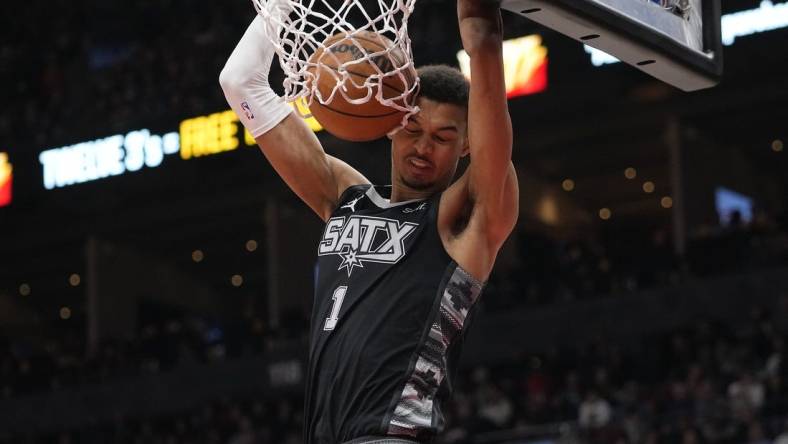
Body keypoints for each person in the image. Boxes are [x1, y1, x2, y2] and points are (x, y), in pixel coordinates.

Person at [219, 0, 518, 442]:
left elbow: (486, 47)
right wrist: (282, 7)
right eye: (414, 129)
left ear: (468, 146)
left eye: (442, 138)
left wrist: (479, 28)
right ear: (392, 123)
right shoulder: (343, 197)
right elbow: (239, 82)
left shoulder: (464, 219)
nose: (422, 147)